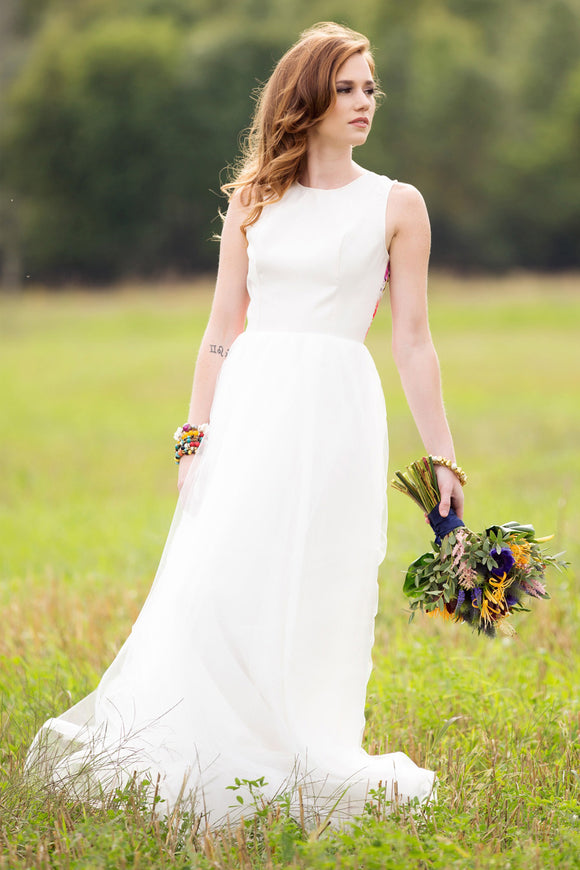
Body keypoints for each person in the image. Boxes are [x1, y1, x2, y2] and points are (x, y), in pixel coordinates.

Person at [27, 22, 464, 827]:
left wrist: (444, 458)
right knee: (221, 575)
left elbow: (413, 339)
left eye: (370, 87)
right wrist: (195, 436)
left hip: (338, 405)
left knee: (322, 581)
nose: (364, 101)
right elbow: (222, 327)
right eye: (346, 88)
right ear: (308, 98)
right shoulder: (254, 197)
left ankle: (305, 742)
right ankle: (212, 744)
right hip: (253, 403)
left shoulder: (397, 205)